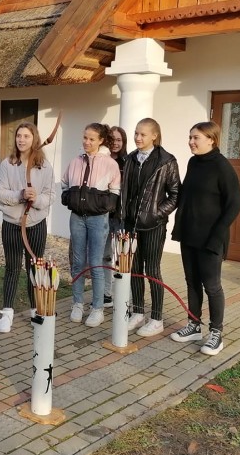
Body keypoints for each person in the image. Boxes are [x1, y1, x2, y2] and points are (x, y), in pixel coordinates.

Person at [170, 121, 240, 356]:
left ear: (211, 139)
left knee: (212, 286)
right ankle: (193, 325)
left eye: (196, 138)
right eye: (190, 137)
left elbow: (235, 203)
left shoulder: (222, 166)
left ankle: (216, 333)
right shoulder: (194, 163)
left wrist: (218, 234)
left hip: (211, 239)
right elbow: (187, 196)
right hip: (189, 234)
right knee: (192, 282)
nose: (191, 142)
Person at [120, 118, 180, 337]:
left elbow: (175, 195)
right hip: (131, 225)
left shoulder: (166, 161)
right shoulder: (130, 159)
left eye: (143, 134)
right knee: (135, 269)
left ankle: (156, 319)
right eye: (136, 133)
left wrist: (156, 214)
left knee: (152, 270)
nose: (138, 138)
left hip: (154, 226)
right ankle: (138, 313)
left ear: (154, 135)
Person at [0, 122, 54, 333]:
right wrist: (20, 195)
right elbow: (0, 192)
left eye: (26, 136)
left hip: (35, 224)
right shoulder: (7, 164)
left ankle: (35, 310)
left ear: (34, 138)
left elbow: (50, 195)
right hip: (12, 224)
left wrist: (36, 198)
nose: (21, 139)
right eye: (19, 136)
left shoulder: (44, 166)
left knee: (34, 267)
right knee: (12, 267)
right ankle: (7, 312)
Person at [61, 123, 121, 327]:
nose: (87, 142)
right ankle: (77, 303)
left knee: (96, 263)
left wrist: (104, 205)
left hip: (98, 219)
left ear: (101, 140)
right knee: (78, 262)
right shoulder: (75, 161)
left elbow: (115, 190)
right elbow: (65, 183)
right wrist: (68, 198)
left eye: (92, 139)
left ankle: (97, 308)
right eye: (85, 137)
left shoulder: (110, 164)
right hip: (77, 217)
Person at [102, 125, 128, 308]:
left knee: (120, 257)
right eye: (112, 140)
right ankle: (106, 293)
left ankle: (122, 294)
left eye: (119, 140)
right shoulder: (101, 160)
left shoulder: (128, 162)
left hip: (120, 216)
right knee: (105, 256)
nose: (115, 143)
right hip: (103, 214)